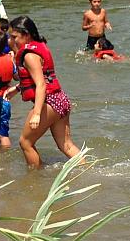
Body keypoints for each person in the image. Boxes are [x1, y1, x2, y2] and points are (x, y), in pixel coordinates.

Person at [10, 15, 80, 168]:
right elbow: (43, 78)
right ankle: (87, 170)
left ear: (26, 34)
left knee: (25, 142)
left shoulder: (29, 55)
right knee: (66, 145)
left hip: (48, 102)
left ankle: (35, 179)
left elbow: (41, 85)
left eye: (14, 36)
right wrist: (17, 89)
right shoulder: (39, 46)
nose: (11, 40)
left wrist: (36, 113)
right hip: (60, 100)